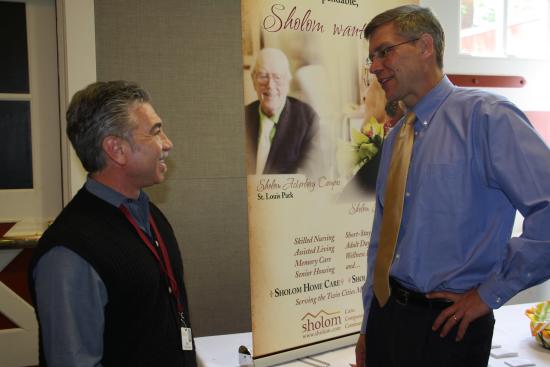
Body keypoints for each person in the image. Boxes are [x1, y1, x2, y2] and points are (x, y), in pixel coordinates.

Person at [355, 5, 550, 367]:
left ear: (425, 46)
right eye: (372, 57)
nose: (374, 66)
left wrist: (489, 294)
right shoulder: (397, 136)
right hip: (387, 318)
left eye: (384, 51)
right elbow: (381, 238)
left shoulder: (488, 118)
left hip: (449, 327)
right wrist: (369, 325)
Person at [29, 81, 197, 367]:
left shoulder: (151, 216)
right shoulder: (69, 254)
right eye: (155, 132)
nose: (167, 144)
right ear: (116, 149)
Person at [245, 48, 322, 175]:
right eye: (263, 76)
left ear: (288, 82)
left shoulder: (308, 119)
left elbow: (309, 175)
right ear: (253, 81)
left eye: (277, 77)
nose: (270, 85)